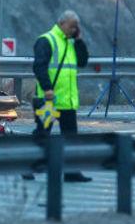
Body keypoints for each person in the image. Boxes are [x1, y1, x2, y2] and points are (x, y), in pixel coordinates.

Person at [30, 10, 91, 182]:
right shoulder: (46, 40)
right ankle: (29, 166)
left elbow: (82, 62)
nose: (74, 30)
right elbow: (39, 66)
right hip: (49, 100)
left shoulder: (71, 43)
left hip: (67, 102)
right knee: (43, 135)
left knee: (70, 137)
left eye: (76, 28)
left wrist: (79, 40)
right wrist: (47, 88)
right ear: (62, 23)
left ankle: (71, 172)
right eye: (72, 26)